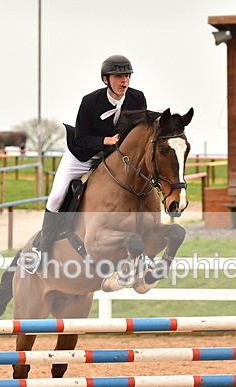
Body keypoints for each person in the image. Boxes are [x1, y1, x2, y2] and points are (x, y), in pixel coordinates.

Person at [31, 54, 147, 259]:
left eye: (127, 76)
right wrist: (106, 141)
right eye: (118, 76)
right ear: (106, 80)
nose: (124, 81)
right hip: (82, 156)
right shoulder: (90, 101)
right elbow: (81, 137)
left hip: (113, 158)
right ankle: (42, 246)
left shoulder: (137, 98)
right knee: (57, 195)